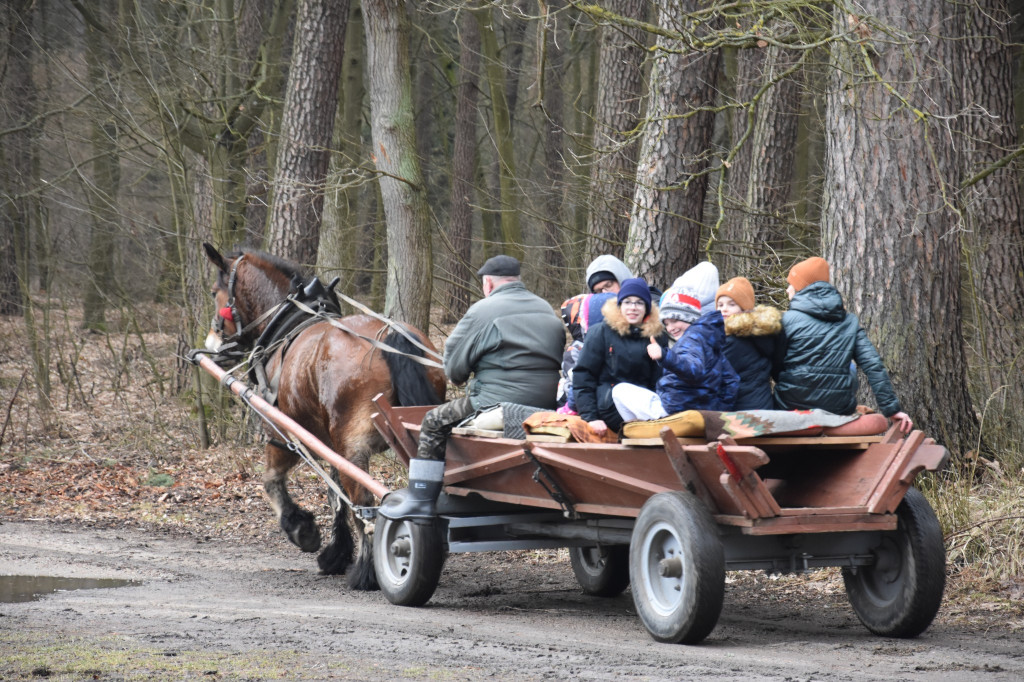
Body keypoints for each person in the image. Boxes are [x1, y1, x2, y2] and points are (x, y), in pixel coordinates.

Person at [379, 255, 567, 520]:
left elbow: (455, 371)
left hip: (496, 402)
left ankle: (421, 499)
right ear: (517, 279)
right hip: (547, 402)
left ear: (488, 283)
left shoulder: (482, 311)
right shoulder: (546, 309)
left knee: (433, 421)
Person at [774, 256, 913, 433]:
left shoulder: (786, 320)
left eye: (791, 284)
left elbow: (775, 365)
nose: (787, 289)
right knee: (849, 367)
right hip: (838, 407)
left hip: (790, 404)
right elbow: (873, 365)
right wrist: (892, 409)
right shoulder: (849, 321)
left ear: (801, 288)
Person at [612, 267, 738, 422]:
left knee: (620, 390)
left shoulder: (692, 339)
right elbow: (731, 381)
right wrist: (718, 411)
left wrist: (664, 356)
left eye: (675, 320)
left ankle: (641, 430)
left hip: (674, 409)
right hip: (698, 409)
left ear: (689, 317)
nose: (671, 328)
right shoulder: (710, 340)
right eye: (666, 323)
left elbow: (693, 369)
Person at [572, 278, 666, 436]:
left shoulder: (656, 336)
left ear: (647, 308)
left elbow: (658, 380)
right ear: (620, 305)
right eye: (628, 302)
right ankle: (663, 421)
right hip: (610, 405)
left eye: (639, 303)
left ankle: (666, 422)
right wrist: (591, 417)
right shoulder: (601, 332)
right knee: (622, 390)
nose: (633, 308)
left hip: (644, 405)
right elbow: (583, 375)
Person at [716, 277, 782, 411]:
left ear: (745, 309)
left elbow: (712, 374)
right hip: (762, 405)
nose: (724, 309)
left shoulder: (733, 340)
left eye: (731, 304)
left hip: (741, 411)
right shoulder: (760, 333)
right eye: (720, 305)